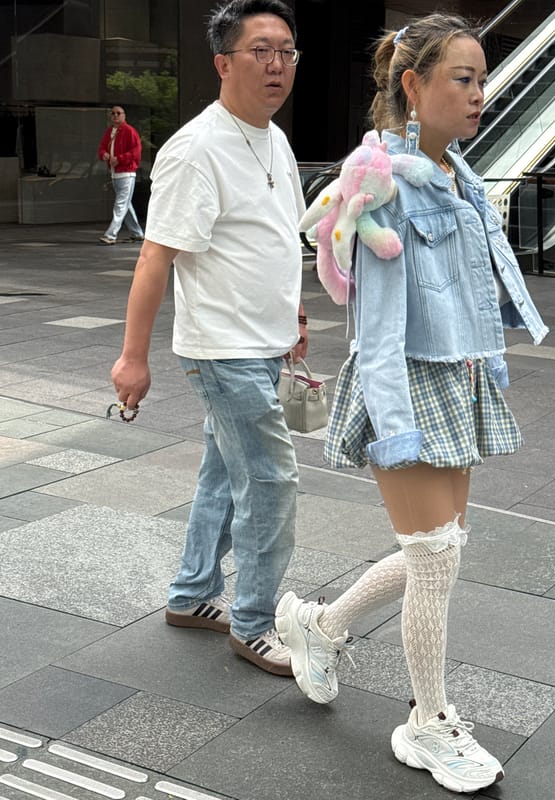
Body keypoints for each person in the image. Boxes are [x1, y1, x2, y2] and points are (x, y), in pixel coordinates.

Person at [275, 13, 548, 794]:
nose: (478, 95)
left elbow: (471, 288)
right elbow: (380, 326)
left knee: (442, 550)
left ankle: (320, 628)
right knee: (435, 559)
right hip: (405, 383)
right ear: (412, 85)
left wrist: (489, 360)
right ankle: (427, 723)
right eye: (462, 79)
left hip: (453, 375)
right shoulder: (381, 183)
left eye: (482, 79)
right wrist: (392, 427)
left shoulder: (459, 173)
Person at [110, 0, 307, 676]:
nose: (278, 63)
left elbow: (272, 242)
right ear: (224, 62)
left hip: (259, 342)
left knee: (225, 473)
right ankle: (253, 623)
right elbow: (154, 257)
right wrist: (133, 358)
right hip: (221, 351)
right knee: (273, 480)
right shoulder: (197, 149)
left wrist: (293, 319)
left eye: (286, 49)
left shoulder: (274, 136)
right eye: (261, 50)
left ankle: (193, 595)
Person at [98, 106, 145, 244]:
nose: (115, 116)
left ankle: (111, 235)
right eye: (113, 113)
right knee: (125, 204)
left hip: (126, 173)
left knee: (120, 204)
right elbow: (101, 148)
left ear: (124, 116)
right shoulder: (110, 131)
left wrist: (119, 158)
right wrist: (104, 155)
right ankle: (137, 233)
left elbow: (136, 152)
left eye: (118, 113)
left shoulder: (129, 131)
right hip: (115, 174)